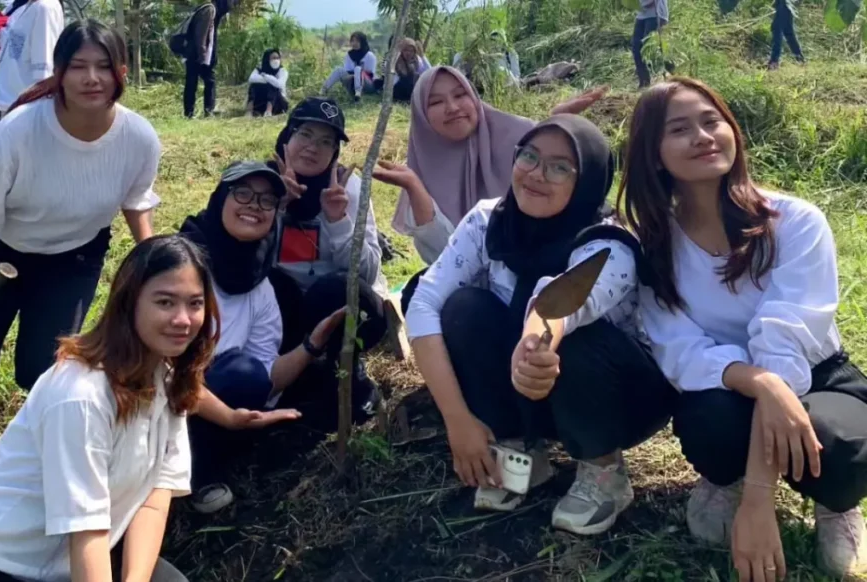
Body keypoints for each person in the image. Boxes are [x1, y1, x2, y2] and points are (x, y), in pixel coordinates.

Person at [0, 235, 300, 582]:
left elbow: (155, 498)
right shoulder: (81, 394)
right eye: (165, 302)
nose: (183, 319)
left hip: (73, 559)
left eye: (195, 303)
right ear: (128, 303)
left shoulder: (166, 378)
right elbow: (86, 530)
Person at [619, 77, 867, 580]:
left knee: (837, 441)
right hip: (727, 385)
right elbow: (679, 349)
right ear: (653, 155)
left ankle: (837, 505)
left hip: (815, 377)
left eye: (711, 121)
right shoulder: (654, 248)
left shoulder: (795, 222)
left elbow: (784, 341)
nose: (703, 136)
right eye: (680, 129)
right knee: (708, 423)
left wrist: (760, 499)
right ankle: (723, 480)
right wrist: (761, 384)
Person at [0, 20, 163, 508]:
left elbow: (136, 202)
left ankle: (38, 479)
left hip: (73, 258)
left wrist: (154, 272)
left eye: (104, 66)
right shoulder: (15, 134)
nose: (92, 78)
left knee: (45, 369)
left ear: (121, 72)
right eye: (78, 66)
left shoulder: (138, 138)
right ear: (58, 72)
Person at [405, 114, 676, 534]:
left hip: (619, 396)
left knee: (575, 339)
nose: (536, 174)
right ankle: (521, 452)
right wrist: (458, 420)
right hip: (533, 384)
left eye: (560, 167)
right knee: (464, 309)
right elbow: (424, 302)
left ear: (588, 181)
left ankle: (604, 471)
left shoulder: (611, 242)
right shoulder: (488, 221)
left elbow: (563, 302)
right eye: (529, 156)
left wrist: (532, 344)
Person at [179, 161, 352, 514]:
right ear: (220, 198)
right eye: (243, 193)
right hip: (156, 389)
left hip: (209, 395)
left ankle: (204, 458)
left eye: (267, 200)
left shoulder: (258, 283)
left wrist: (311, 346)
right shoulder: (178, 264)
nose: (254, 206)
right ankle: (186, 470)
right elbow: (155, 364)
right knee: (234, 375)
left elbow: (266, 375)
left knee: (246, 377)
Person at [372, 66, 606, 313]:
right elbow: (445, 259)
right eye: (436, 102)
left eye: (460, 94)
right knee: (419, 293)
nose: (452, 107)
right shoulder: (422, 165)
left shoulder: (520, 139)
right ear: (421, 115)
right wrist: (415, 189)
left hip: (541, 272)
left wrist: (556, 125)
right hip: (476, 290)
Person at [266, 97, 388, 428]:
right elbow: (243, 260)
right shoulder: (263, 182)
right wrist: (276, 208)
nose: (313, 148)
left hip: (333, 303)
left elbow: (368, 273)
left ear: (335, 152)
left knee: (335, 289)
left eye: (326, 142)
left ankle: (345, 370)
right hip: (282, 307)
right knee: (274, 286)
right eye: (305, 134)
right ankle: (288, 370)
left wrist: (338, 221)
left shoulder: (349, 189)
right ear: (287, 136)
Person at [0, 0, 63, 116]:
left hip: (26, 110)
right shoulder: (24, 8)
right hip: (10, 106)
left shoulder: (45, 8)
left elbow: (45, 76)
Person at [183, 0, 236, 119]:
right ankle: (206, 111)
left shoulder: (209, 9)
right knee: (205, 81)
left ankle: (191, 113)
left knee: (193, 81)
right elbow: (201, 34)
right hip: (198, 54)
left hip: (195, 52)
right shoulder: (209, 10)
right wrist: (202, 55)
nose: (232, 5)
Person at [322, 32, 377, 102]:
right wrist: (355, 75)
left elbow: (371, 73)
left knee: (358, 69)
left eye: (357, 41)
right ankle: (324, 90)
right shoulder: (349, 55)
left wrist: (358, 72)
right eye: (353, 41)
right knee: (338, 69)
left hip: (368, 84)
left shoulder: (369, 55)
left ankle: (358, 94)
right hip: (352, 81)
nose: (354, 43)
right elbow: (347, 70)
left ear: (362, 42)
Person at [632, 0, 668, 88]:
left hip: (655, 15)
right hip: (641, 16)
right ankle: (644, 83)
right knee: (636, 48)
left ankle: (670, 74)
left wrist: (641, 4)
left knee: (649, 48)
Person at [246, 48, 289, 117]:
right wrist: (269, 80)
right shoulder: (260, 69)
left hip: (279, 103)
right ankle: (249, 111)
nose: (276, 60)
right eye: (273, 58)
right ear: (267, 59)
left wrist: (266, 76)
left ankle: (268, 112)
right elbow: (251, 78)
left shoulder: (283, 71)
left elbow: (279, 84)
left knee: (273, 85)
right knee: (253, 86)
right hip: (262, 102)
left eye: (277, 58)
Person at [389, 37, 430, 103]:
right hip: (398, 90)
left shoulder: (416, 60)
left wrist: (422, 56)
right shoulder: (396, 60)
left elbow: (429, 72)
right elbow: (393, 81)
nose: (408, 53)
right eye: (405, 50)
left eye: (411, 51)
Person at [768, 0, 804, 70]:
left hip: (784, 4)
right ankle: (800, 59)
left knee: (777, 29)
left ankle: (774, 62)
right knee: (788, 33)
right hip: (787, 5)